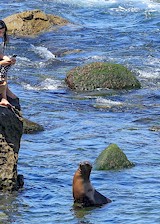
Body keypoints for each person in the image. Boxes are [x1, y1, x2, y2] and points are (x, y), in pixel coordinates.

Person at [0, 19, 20, 109]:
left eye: (3, 33)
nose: (1, 35)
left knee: (7, 64)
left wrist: (7, 59)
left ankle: (6, 93)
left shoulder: (3, 39)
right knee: (2, 80)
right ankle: (3, 98)